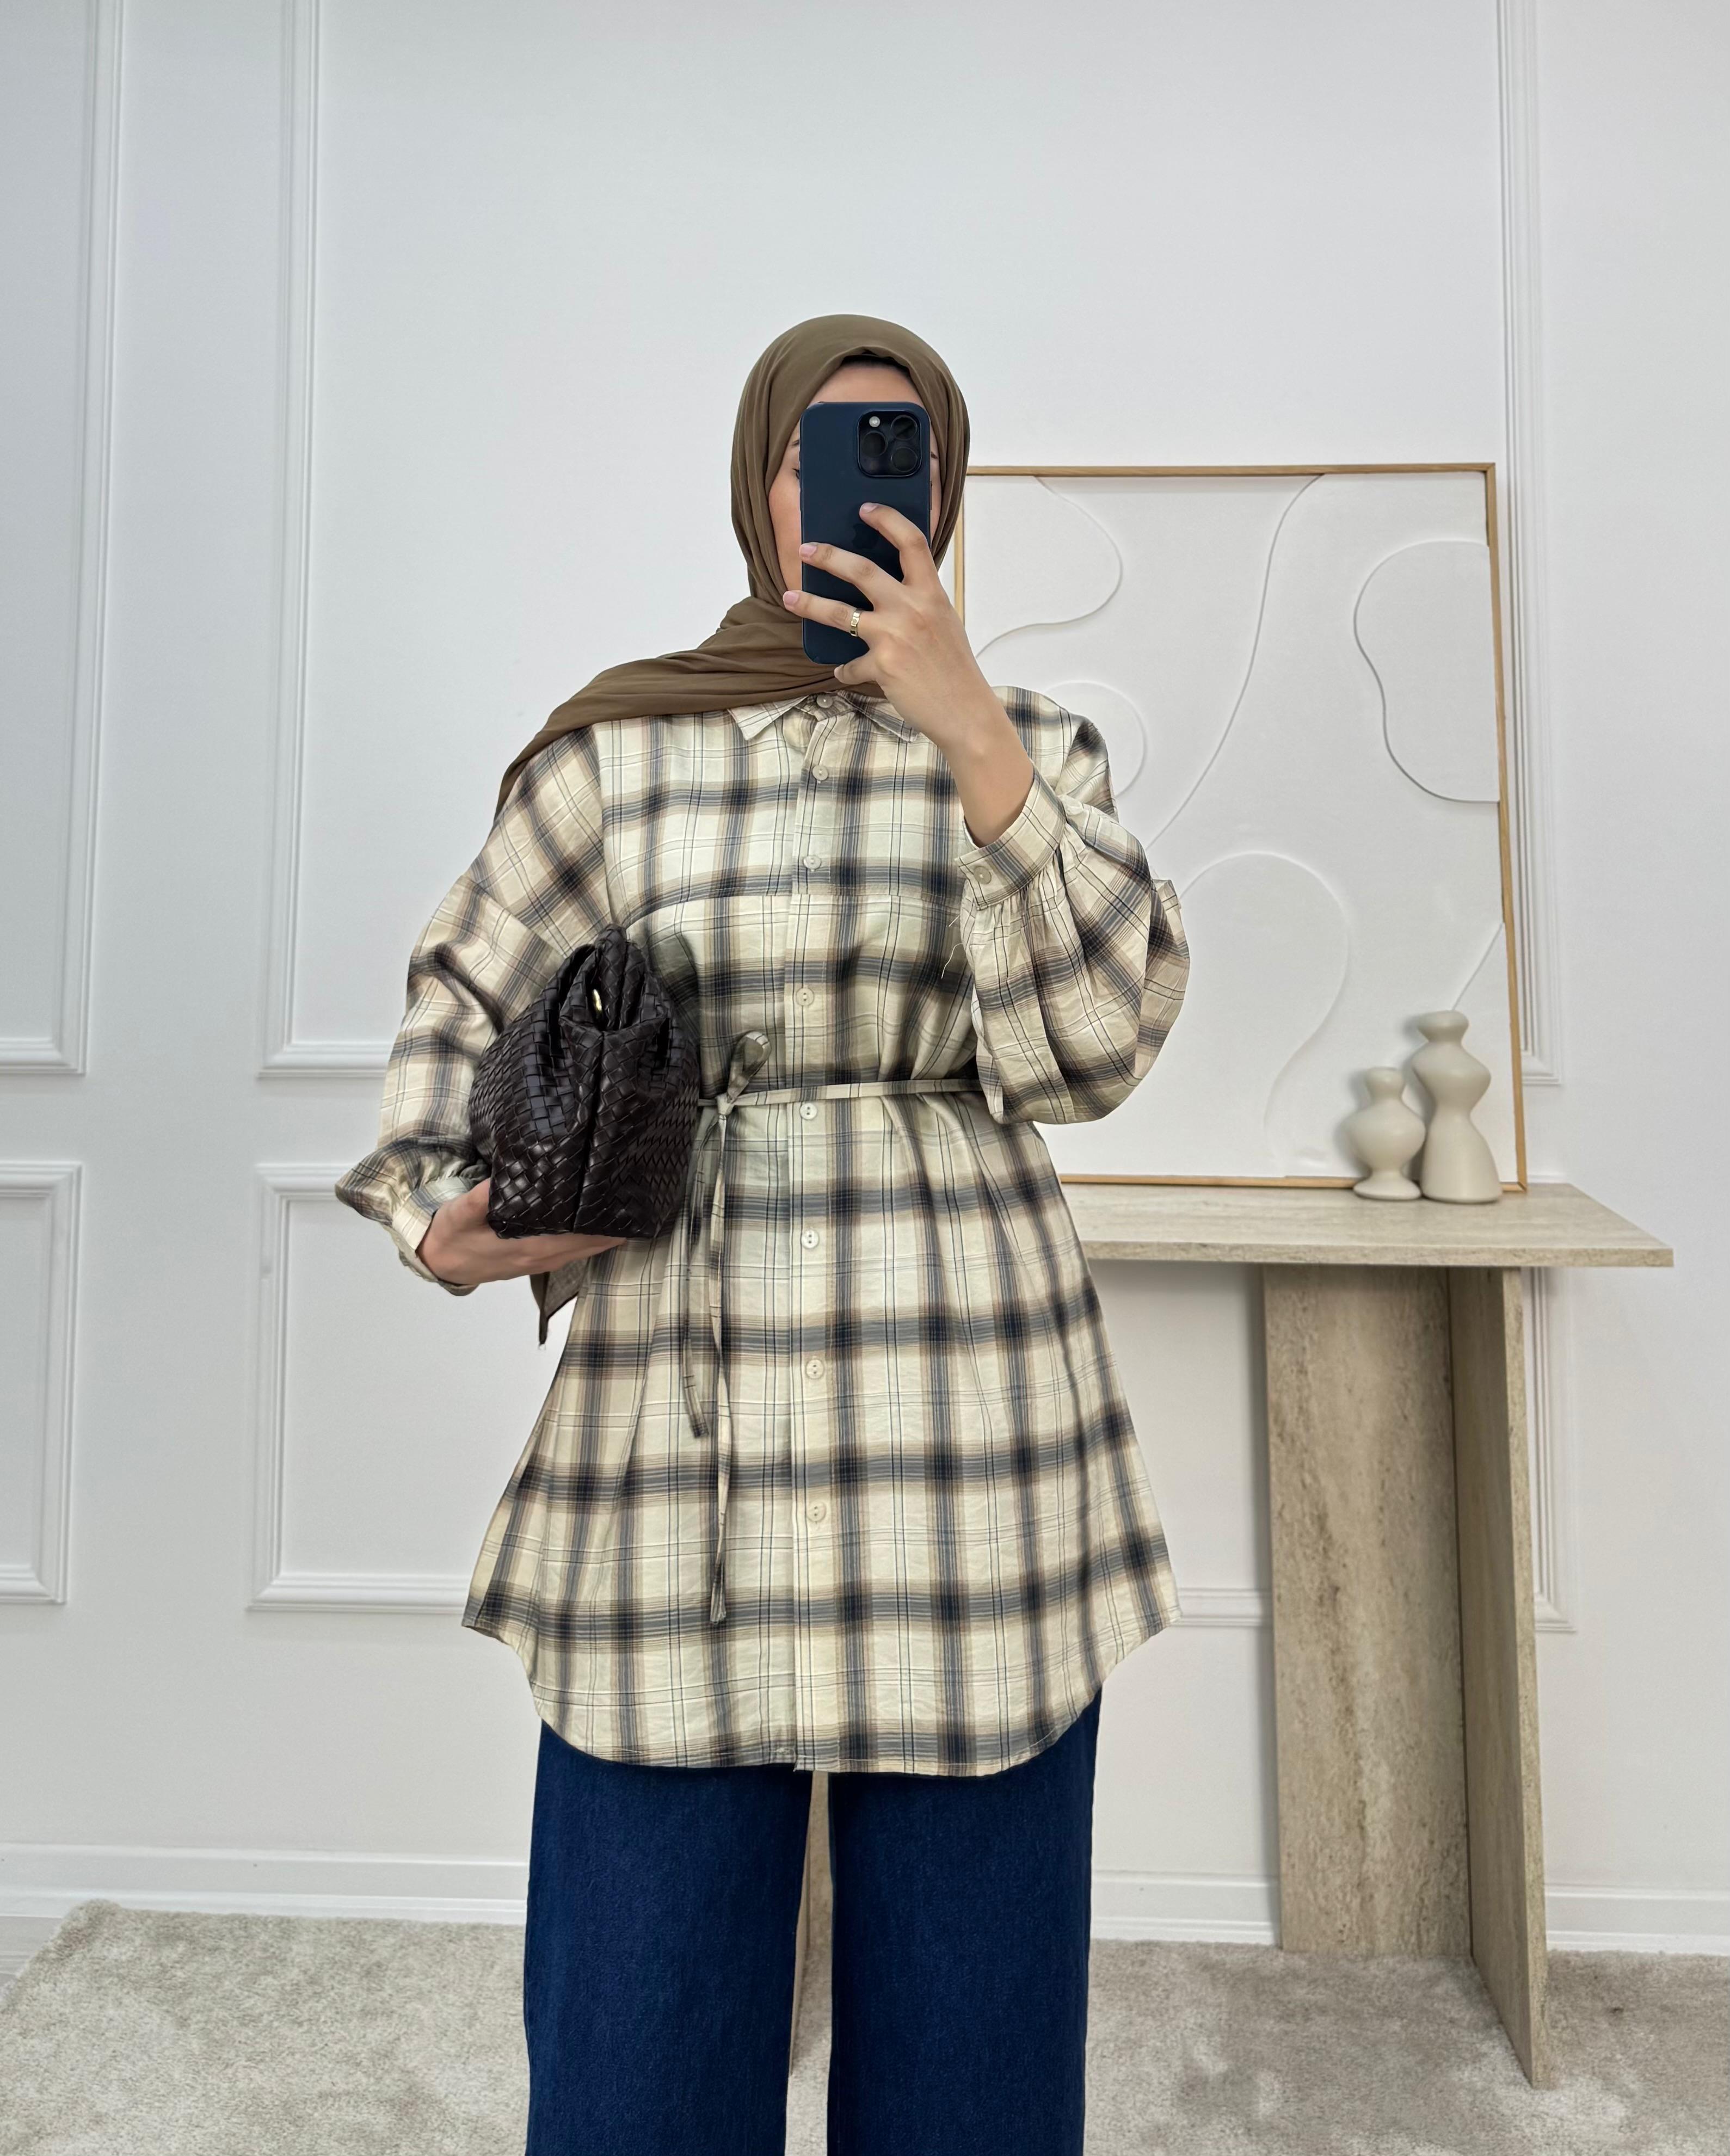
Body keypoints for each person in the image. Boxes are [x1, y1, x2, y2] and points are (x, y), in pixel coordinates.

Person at [335, 313, 1190, 2155]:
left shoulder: (1035, 749)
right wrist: (441, 1215)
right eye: (818, 448)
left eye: (897, 450)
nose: (850, 487)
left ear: (942, 493)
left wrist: (970, 734)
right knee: (636, 2037)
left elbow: (1099, 1047)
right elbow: (457, 1016)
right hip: (674, 1427)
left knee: (972, 2043)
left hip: (971, 1434)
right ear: (757, 480)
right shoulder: (620, 753)